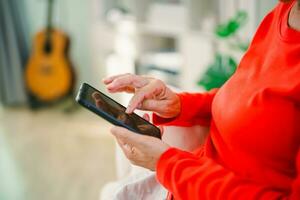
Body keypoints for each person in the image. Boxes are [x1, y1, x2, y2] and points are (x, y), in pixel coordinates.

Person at [103, 0, 300, 199]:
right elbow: (250, 102)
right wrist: (179, 105)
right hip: (189, 176)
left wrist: (167, 164)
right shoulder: (285, 10)